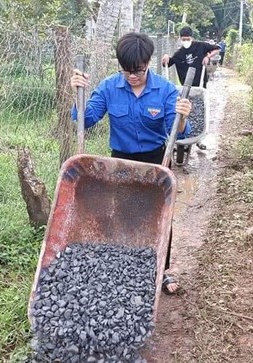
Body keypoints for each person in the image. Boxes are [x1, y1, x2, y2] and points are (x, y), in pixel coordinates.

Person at [70, 32, 192, 294]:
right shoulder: (109, 87)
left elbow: (178, 131)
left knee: (159, 217)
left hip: (156, 160)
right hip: (121, 162)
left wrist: (182, 117)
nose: (132, 76)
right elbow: (87, 119)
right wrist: (77, 94)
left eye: (137, 70)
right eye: (127, 71)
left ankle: (161, 271)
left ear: (147, 62)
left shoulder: (166, 90)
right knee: (121, 216)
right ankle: (122, 266)